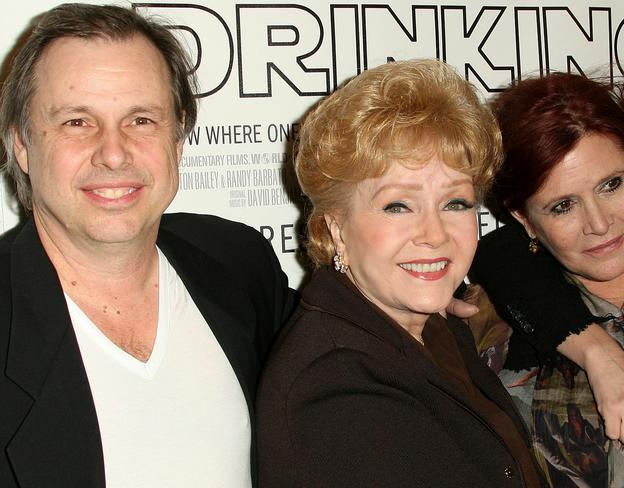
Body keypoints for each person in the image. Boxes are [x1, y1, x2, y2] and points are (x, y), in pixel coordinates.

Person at [0, 4, 292, 487]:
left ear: (177, 142)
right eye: (77, 121)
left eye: (141, 120)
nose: (114, 153)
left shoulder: (239, 261)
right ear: (22, 146)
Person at [256, 59, 544, 487]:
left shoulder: (428, 325)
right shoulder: (337, 388)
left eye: (456, 203)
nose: (434, 234)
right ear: (336, 229)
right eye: (398, 206)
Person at [468, 72, 624, 487]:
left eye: (611, 184)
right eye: (563, 205)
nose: (600, 224)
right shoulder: (486, 325)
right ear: (523, 219)